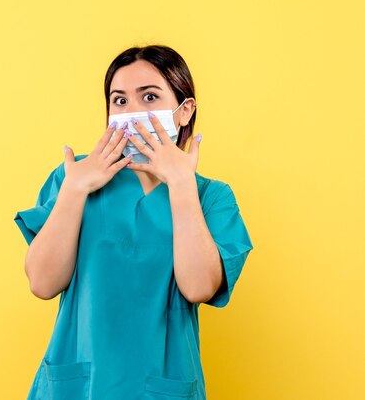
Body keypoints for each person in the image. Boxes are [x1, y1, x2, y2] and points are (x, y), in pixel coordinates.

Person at [13, 45, 254, 400]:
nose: (133, 112)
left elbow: (199, 286)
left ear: (184, 111)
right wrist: (75, 189)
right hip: (78, 388)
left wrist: (181, 185)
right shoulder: (74, 177)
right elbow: (43, 283)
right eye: (120, 101)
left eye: (150, 97)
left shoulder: (211, 197)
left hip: (162, 386)